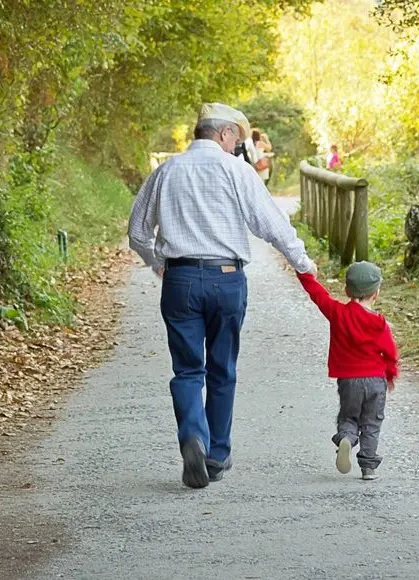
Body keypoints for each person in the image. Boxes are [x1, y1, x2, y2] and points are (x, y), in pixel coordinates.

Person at [128, 102, 317, 489]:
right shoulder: (237, 171)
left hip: (180, 279)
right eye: (237, 139)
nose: (237, 147)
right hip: (227, 278)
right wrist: (302, 262)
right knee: (222, 368)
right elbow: (271, 225)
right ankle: (216, 454)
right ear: (224, 133)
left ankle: (193, 437)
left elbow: (137, 232)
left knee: (186, 370)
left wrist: (157, 263)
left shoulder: (166, 171)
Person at [296, 261, 399, 480]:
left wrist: (303, 271)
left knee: (349, 416)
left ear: (346, 290)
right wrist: (390, 375)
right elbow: (390, 352)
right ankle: (368, 468)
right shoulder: (379, 322)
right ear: (376, 293)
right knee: (372, 422)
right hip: (375, 380)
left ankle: (346, 438)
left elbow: (317, 294)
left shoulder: (337, 313)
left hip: (349, 380)